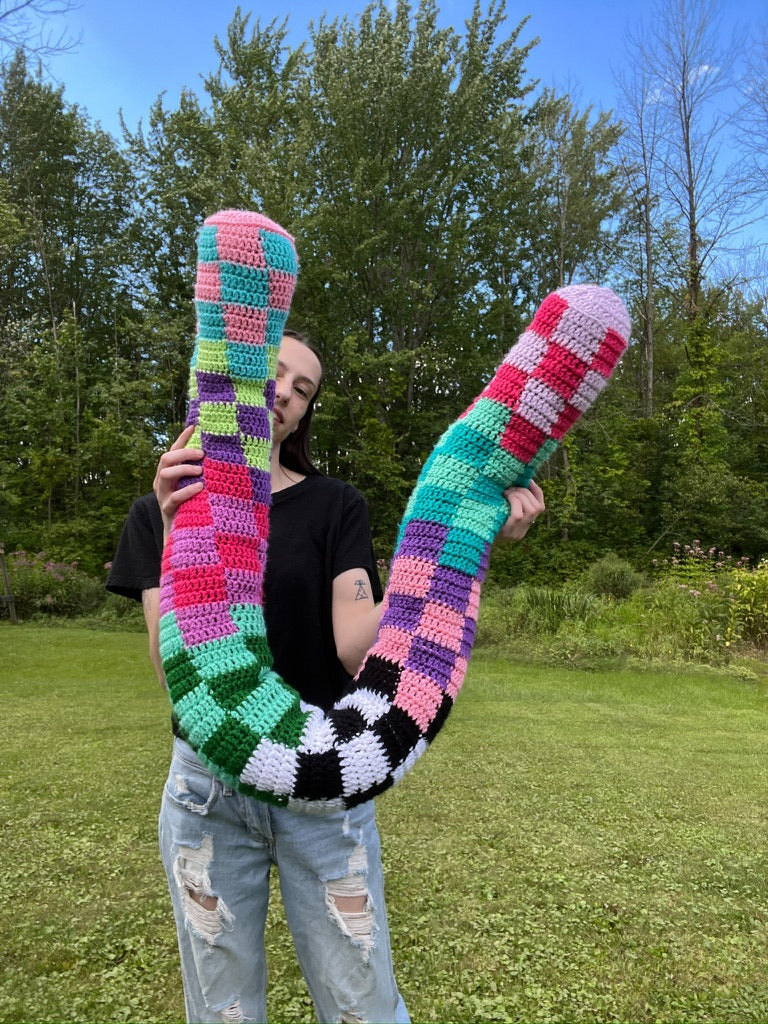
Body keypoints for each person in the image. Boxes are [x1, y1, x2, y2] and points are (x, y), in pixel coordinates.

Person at [107, 328, 545, 1024]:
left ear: (304, 414)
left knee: (361, 1004)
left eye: (303, 389)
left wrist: (463, 539)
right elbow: (173, 673)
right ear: (236, 371)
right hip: (207, 792)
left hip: (326, 784)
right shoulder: (157, 510)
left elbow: (353, 648)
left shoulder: (335, 504)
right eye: (274, 372)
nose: (284, 391)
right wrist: (178, 527)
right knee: (221, 1008)